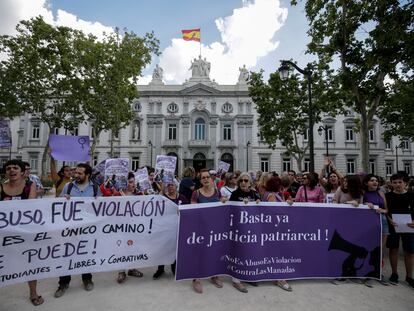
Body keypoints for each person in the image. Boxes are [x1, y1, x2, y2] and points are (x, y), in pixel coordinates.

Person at [54, 163, 102, 298]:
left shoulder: (95, 189)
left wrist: (99, 201)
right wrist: (63, 200)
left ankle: (87, 279)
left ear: (87, 175)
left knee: (85, 254)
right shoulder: (68, 187)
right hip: (70, 229)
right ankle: (63, 283)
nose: (76, 175)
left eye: (80, 173)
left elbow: (102, 208)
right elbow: (57, 205)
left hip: (87, 230)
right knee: (66, 255)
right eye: (76, 172)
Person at [0, 159, 43, 306]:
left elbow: (29, 208)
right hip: (4, 235)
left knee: (29, 262)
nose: (11, 170)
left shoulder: (30, 186)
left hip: (25, 233)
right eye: (8, 168)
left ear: (22, 172)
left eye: (15, 168)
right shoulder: (1, 187)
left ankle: (33, 293)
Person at [190, 169, 223, 293]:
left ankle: (214, 275)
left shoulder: (217, 192)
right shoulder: (196, 193)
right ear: (200, 181)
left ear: (211, 178)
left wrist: (223, 203)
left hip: (215, 229)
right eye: (203, 178)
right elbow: (192, 211)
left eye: (207, 177)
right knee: (199, 253)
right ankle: (196, 278)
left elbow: (222, 208)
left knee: (214, 252)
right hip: (200, 229)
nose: (205, 179)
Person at [228, 172, 261, 293]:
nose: (243, 183)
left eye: (246, 181)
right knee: (238, 254)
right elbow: (229, 209)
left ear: (250, 183)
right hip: (238, 229)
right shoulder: (235, 194)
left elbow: (261, 210)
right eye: (241, 180)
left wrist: (258, 203)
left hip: (252, 230)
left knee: (250, 253)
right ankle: (236, 280)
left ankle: (248, 276)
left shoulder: (255, 194)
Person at [261, 176, 292, 291]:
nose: (281, 187)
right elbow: (274, 212)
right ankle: (279, 278)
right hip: (275, 229)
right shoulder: (272, 196)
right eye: (280, 185)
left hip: (274, 229)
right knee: (278, 253)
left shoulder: (272, 194)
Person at [153, 179, 188, 280]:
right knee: (163, 248)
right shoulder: (163, 198)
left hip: (178, 228)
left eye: (173, 185)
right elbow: (157, 211)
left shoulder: (182, 198)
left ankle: (174, 267)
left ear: (176, 186)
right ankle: (160, 269)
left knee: (175, 248)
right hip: (165, 228)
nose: (171, 187)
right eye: (169, 185)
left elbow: (187, 211)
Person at [385, 173, 414, 288]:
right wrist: (389, 220)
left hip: (410, 226)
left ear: (405, 183)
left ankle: (409, 276)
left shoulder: (412, 195)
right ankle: (394, 273)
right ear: (391, 183)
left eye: (400, 182)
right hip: (393, 225)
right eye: (395, 182)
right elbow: (385, 210)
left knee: (410, 251)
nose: (397, 185)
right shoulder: (387, 196)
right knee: (393, 249)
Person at [362, 174, 389, 287]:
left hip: (382, 222)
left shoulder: (381, 193)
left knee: (380, 250)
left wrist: (383, 210)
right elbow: (359, 205)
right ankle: (367, 273)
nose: (375, 182)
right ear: (366, 183)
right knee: (369, 248)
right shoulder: (363, 193)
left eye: (376, 181)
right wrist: (365, 204)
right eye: (372, 180)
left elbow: (387, 209)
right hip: (368, 223)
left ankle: (378, 273)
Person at [116, 172, 144, 283]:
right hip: (121, 227)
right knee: (122, 248)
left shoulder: (139, 195)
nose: (133, 184)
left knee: (133, 247)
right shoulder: (118, 195)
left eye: (134, 182)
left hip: (135, 226)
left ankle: (132, 268)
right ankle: (121, 271)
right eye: (130, 182)